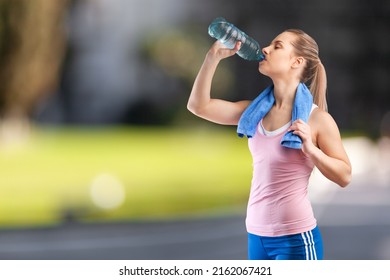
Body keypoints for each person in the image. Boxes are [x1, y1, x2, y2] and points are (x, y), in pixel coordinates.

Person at [187, 29, 352, 260]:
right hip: (256, 236)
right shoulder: (253, 113)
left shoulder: (317, 120)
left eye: (277, 46)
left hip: (295, 240)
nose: (265, 49)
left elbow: (344, 175)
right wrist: (212, 57)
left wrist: (311, 150)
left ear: (297, 61)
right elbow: (198, 106)